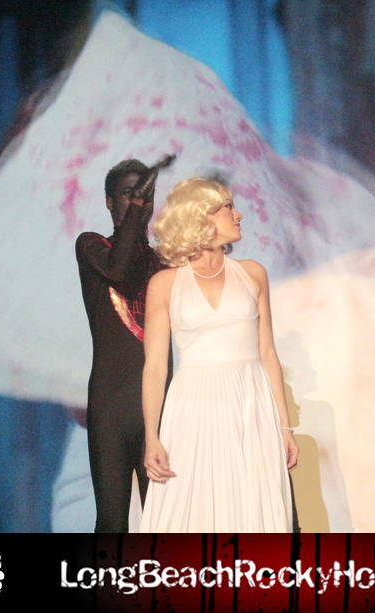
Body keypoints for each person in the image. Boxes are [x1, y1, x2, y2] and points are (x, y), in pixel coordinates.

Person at [138, 177, 297, 532]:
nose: (238, 214)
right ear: (200, 216)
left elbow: (267, 352)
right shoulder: (164, 284)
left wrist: (284, 427)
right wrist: (152, 436)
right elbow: (155, 367)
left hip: (249, 405)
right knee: (192, 510)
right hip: (193, 408)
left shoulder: (253, 273)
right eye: (228, 206)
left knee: (253, 508)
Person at [76, 158, 167, 532]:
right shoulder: (91, 246)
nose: (137, 201)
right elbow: (120, 270)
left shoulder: (164, 263)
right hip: (110, 405)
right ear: (109, 202)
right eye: (128, 193)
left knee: (162, 520)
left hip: (158, 406)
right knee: (113, 521)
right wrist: (137, 212)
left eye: (143, 194)